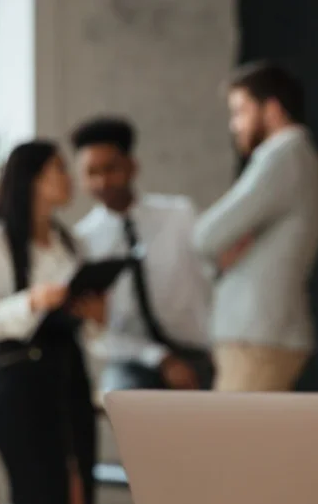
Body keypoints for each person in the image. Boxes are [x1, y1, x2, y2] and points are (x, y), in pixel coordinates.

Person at [0, 141, 104, 504]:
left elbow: (90, 331)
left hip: (68, 377)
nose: (67, 177)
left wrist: (94, 316)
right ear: (31, 180)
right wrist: (32, 300)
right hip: (19, 382)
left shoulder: (70, 243)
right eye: (57, 169)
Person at [193, 62, 318, 392]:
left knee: (231, 442)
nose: (234, 124)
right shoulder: (297, 157)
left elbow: (205, 236)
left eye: (240, 111)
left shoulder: (283, 156)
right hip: (265, 332)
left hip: (258, 334)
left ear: (271, 109)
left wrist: (227, 245)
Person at [71, 117, 215, 392]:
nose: (102, 181)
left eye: (110, 169)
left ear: (131, 166)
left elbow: (212, 280)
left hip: (198, 353)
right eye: (91, 172)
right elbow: (97, 334)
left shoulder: (179, 215)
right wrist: (161, 359)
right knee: (120, 395)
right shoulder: (82, 242)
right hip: (133, 360)